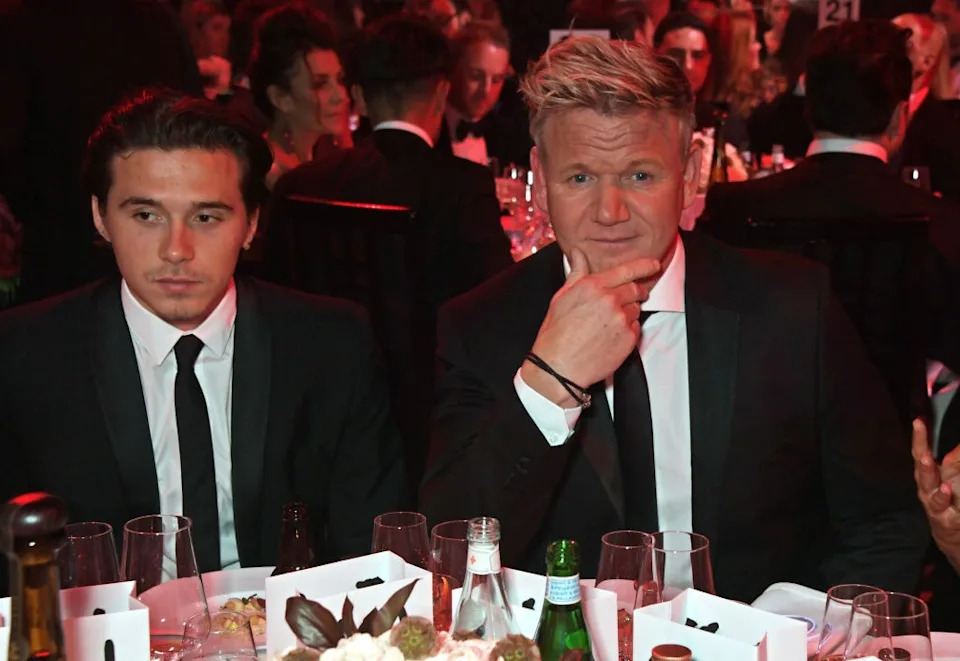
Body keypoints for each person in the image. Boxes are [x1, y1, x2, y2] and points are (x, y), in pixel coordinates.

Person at [420, 35, 928, 602]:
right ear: (540, 179)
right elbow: (449, 560)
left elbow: (882, 522)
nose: (610, 214)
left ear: (689, 173)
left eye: (640, 176)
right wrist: (550, 379)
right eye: (581, 177)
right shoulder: (482, 324)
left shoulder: (790, 309)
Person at [0, 89, 406, 596]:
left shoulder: (331, 345)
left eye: (206, 217)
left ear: (252, 223)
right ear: (101, 216)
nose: (176, 249)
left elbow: (369, 551)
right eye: (146, 215)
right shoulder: (24, 356)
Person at [267, 12, 512, 486]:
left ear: (358, 95)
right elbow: (499, 303)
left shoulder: (299, 186)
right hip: (433, 418)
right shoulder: (461, 187)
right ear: (442, 91)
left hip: (315, 408)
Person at [0, 0, 203, 303]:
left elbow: (9, 141)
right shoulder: (159, 18)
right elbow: (193, 125)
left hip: (58, 231)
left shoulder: (23, 19)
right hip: (155, 224)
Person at [248, 1, 352, 190]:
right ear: (280, 98)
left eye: (340, 80)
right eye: (321, 84)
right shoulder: (267, 174)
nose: (341, 95)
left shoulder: (323, 158)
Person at [437, 20, 530, 169]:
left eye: (496, 80)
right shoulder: (430, 134)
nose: (486, 90)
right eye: (476, 76)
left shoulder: (508, 138)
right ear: (453, 69)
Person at [889, 12, 960, 200]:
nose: (884, 52)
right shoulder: (871, 105)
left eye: (899, 45)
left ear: (926, 61)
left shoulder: (945, 124)